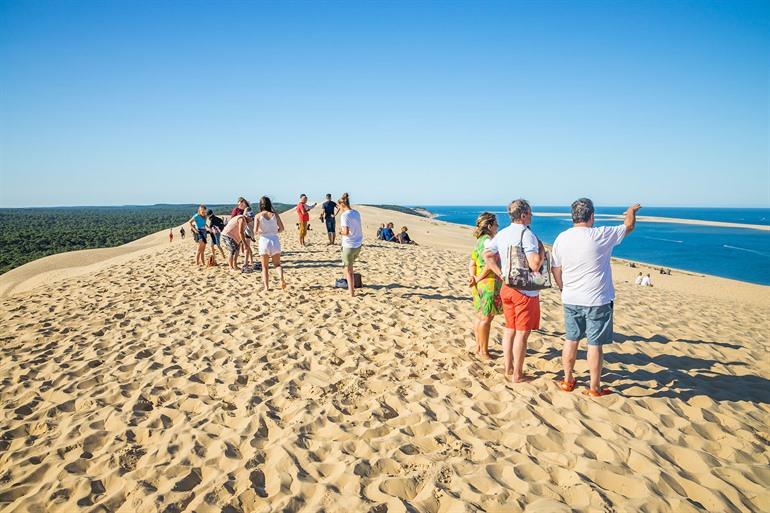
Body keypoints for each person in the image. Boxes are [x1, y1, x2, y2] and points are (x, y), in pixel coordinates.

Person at [550, 199, 641, 397]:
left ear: (573, 216)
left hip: (571, 298)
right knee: (594, 344)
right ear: (591, 216)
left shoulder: (561, 238)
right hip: (597, 299)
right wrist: (631, 211)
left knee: (571, 340)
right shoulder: (600, 234)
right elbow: (629, 226)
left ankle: (567, 380)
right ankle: (594, 387)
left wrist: (563, 288)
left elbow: (555, 268)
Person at [483, 199, 546, 383]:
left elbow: (487, 254)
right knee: (522, 333)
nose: (532, 216)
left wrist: (500, 273)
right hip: (524, 291)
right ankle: (517, 374)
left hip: (507, 287)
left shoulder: (502, 234)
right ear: (524, 214)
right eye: (530, 213)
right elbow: (534, 265)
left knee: (510, 329)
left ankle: (508, 368)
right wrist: (542, 253)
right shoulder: (526, 235)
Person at [468, 213, 503, 359]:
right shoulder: (488, 241)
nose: (498, 227)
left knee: (479, 316)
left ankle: (479, 347)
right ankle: (483, 351)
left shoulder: (478, 241)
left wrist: (473, 277)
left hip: (478, 284)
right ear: (489, 226)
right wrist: (478, 278)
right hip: (488, 283)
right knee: (486, 318)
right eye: (496, 224)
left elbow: (472, 263)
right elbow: (490, 264)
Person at [255, 196, 287, 291]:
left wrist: (262, 231)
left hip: (264, 241)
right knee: (277, 264)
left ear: (260, 205)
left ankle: (266, 287)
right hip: (274, 240)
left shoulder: (258, 216)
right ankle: (281, 277)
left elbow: (255, 231)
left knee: (265, 267)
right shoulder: (275, 215)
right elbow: (281, 228)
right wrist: (274, 230)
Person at [338, 193, 363, 297]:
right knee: (347, 266)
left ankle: (351, 292)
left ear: (342, 205)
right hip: (358, 244)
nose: (338, 208)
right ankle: (345, 282)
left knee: (349, 270)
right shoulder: (356, 213)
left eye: (338, 206)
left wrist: (340, 232)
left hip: (349, 245)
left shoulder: (344, 215)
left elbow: (346, 232)